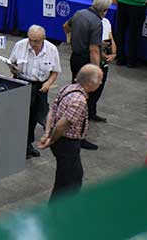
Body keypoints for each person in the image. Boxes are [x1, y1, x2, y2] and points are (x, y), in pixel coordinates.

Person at [38, 64, 104, 199]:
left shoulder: (68, 88)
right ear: (90, 83)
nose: (101, 83)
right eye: (99, 80)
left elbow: (52, 111)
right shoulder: (79, 101)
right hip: (66, 143)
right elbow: (62, 125)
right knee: (68, 182)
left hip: (61, 141)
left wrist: (47, 132)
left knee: (73, 176)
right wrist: (51, 139)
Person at [9, 25, 60, 159]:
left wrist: (48, 83)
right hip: (21, 83)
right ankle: (17, 145)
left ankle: (27, 144)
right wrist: (13, 69)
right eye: (30, 40)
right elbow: (12, 63)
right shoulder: (20, 45)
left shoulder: (52, 50)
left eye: (36, 41)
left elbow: (55, 72)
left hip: (40, 87)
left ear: (43, 38)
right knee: (20, 117)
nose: (32, 44)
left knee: (34, 118)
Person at [64, 0, 112, 136]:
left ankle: (88, 113)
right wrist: (97, 70)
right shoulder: (97, 23)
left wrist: (70, 40)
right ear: (105, 10)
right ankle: (79, 125)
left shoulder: (79, 14)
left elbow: (66, 26)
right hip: (85, 61)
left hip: (75, 57)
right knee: (86, 93)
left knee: (75, 88)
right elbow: (94, 49)